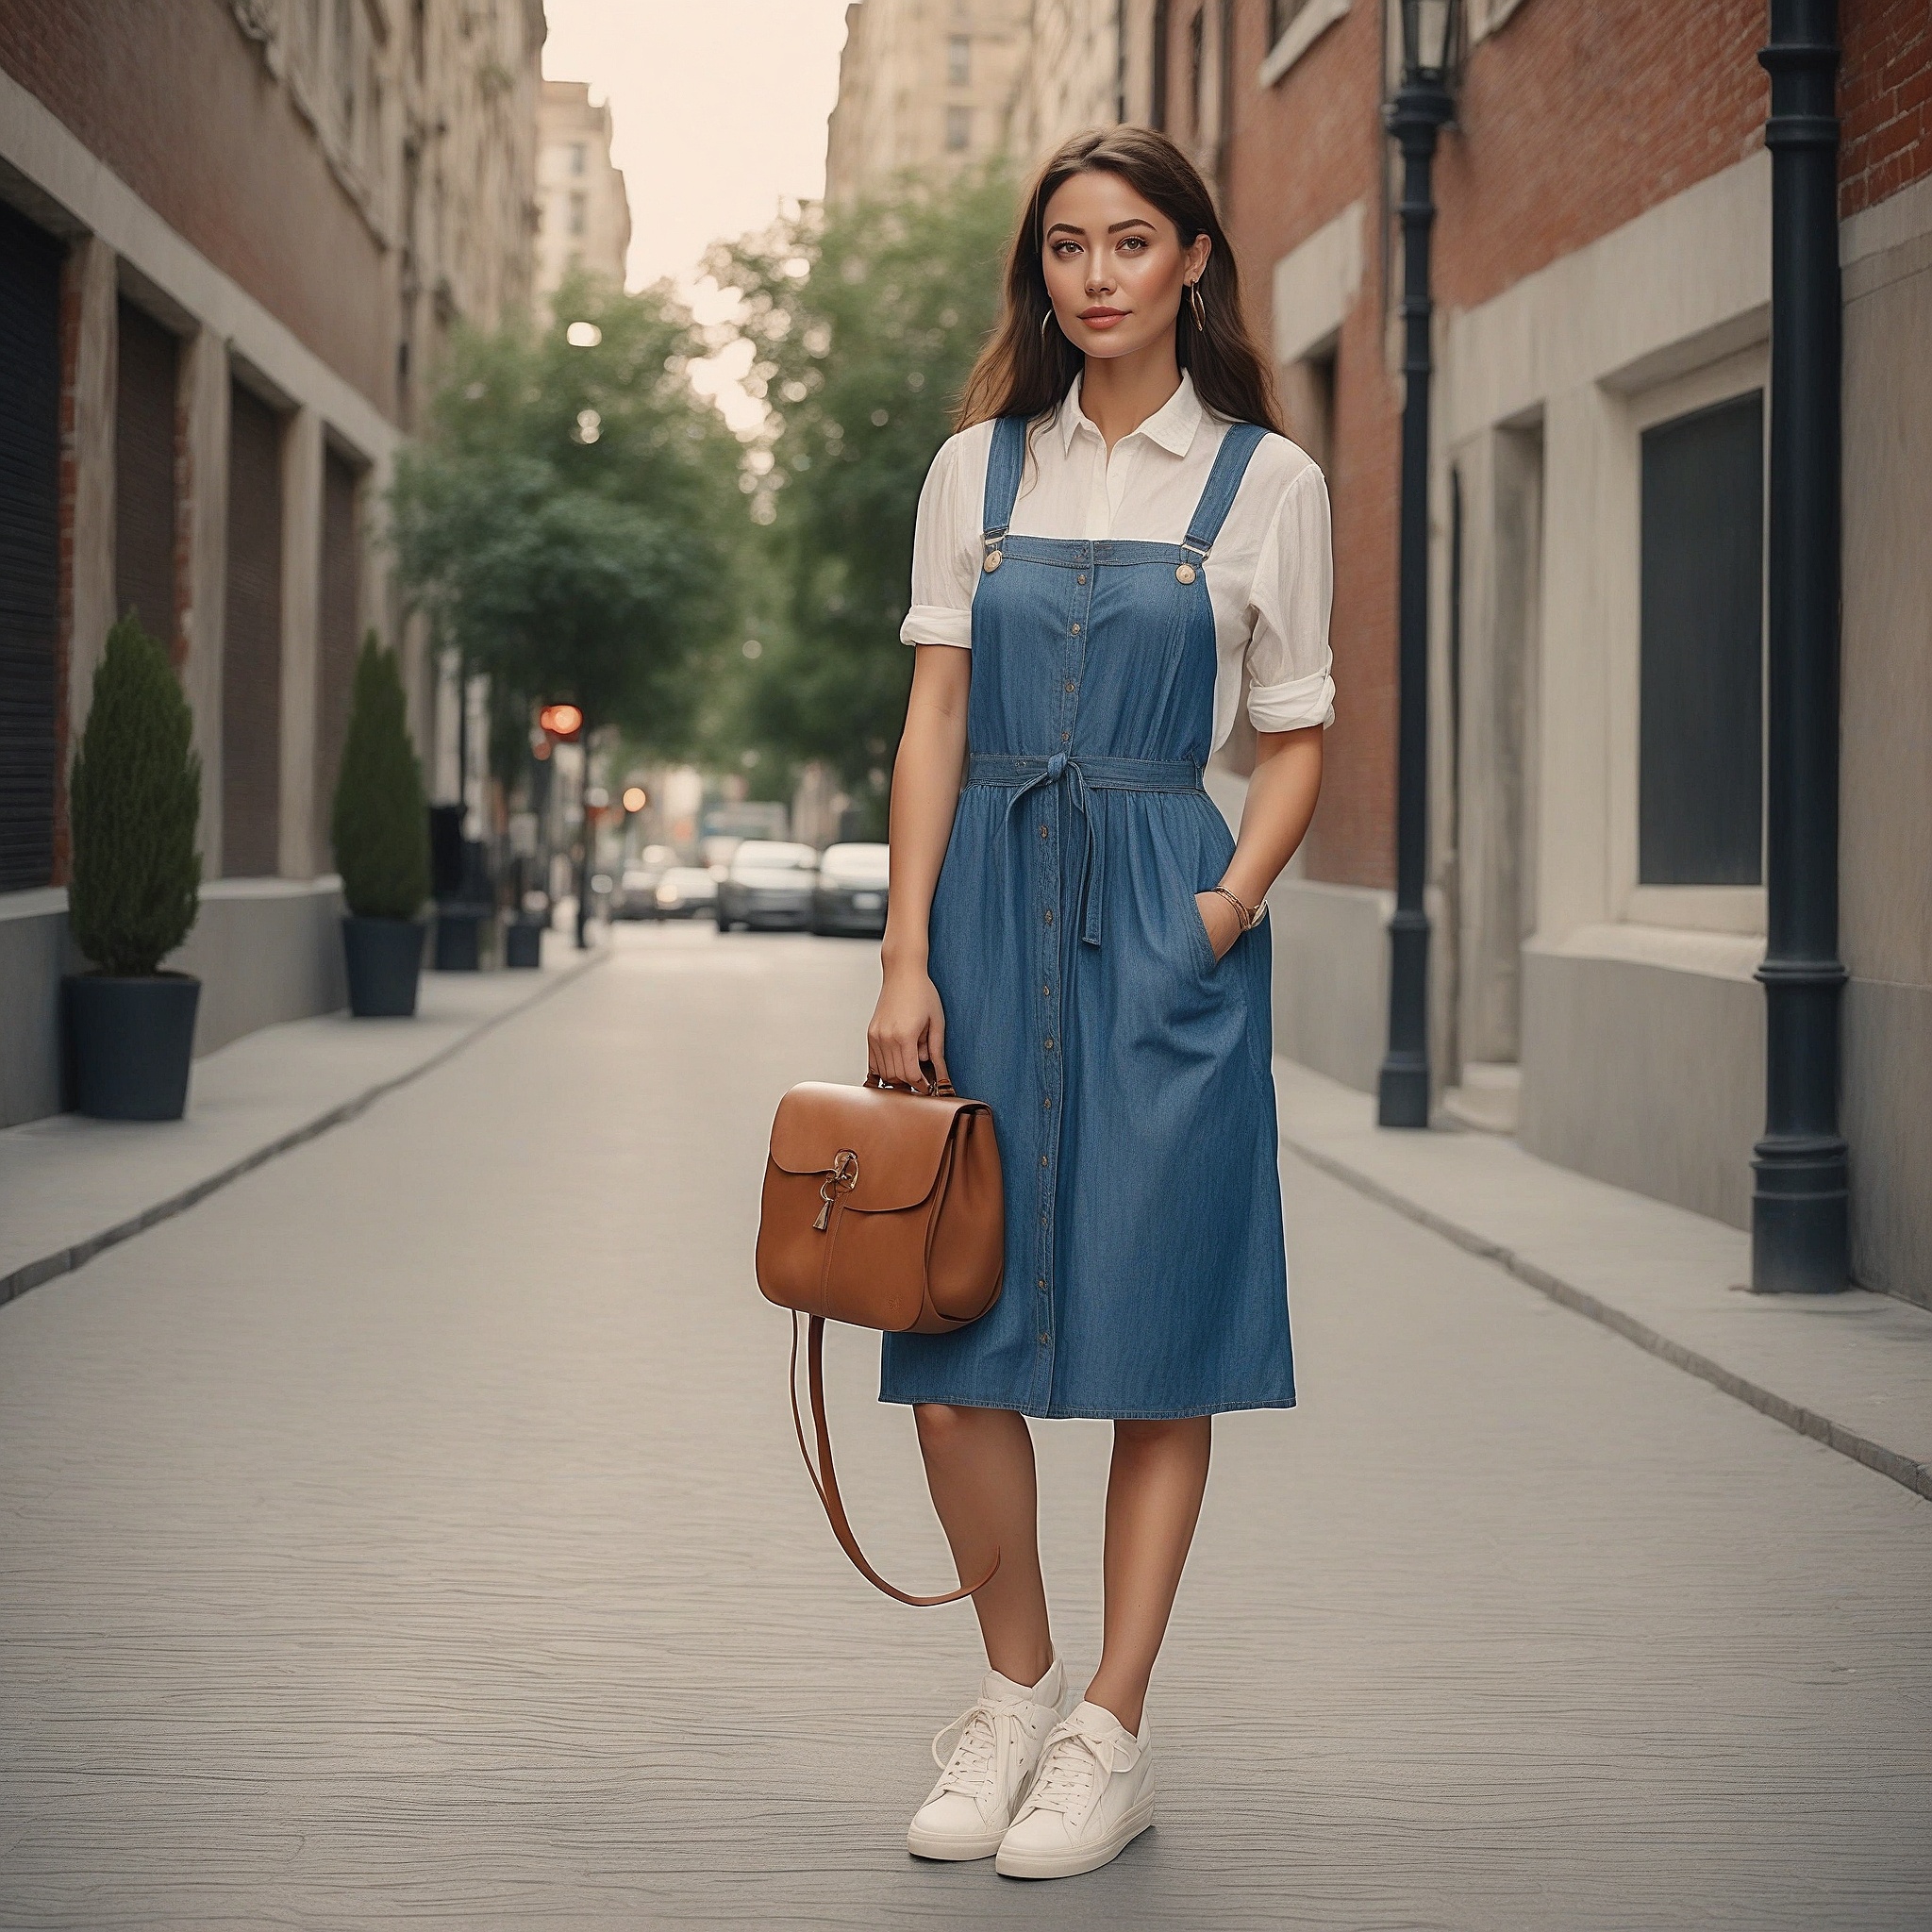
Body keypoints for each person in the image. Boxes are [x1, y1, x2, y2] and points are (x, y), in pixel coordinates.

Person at [867, 125, 1334, 1883]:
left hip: (1159, 915)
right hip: (984, 906)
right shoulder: (973, 471)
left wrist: (1216, 914)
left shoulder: (1269, 485)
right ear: (1041, 272)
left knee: (1156, 1333)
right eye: (1067, 247)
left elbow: (1294, 739)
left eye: (1132, 243)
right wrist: (907, 952)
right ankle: (1010, 1693)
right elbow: (931, 722)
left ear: (1193, 262)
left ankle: (1110, 1730)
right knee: (950, 1324)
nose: (1096, 275)